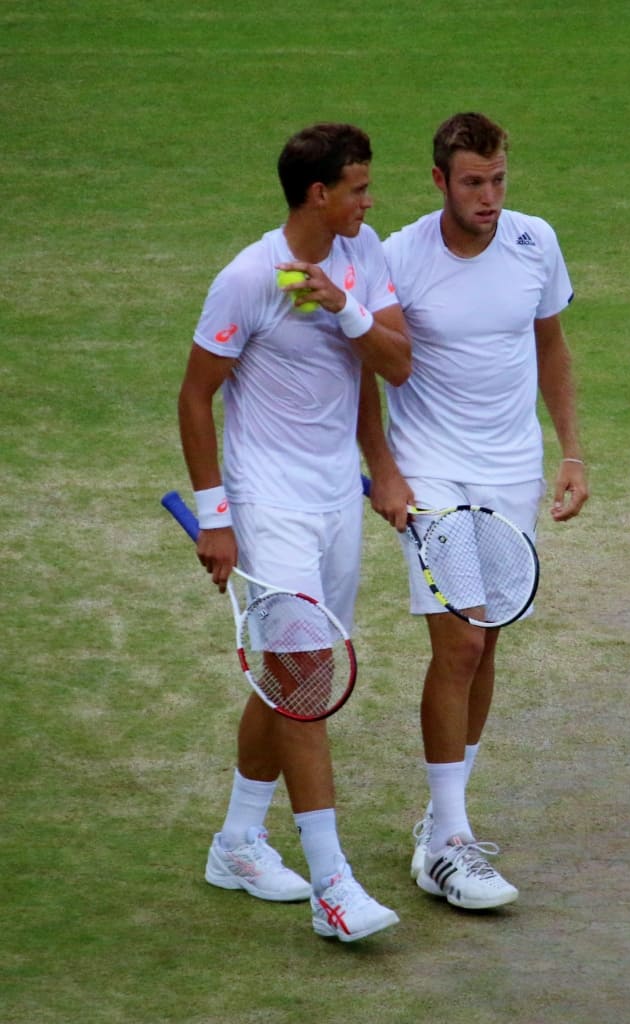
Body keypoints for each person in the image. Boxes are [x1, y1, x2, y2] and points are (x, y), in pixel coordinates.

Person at [176, 122, 411, 942]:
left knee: (288, 679)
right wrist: (218, 519)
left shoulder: (362, 251)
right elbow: (194, 395)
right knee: (307, 678)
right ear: (320, 194)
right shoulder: (245, 278)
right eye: (357, 188)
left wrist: (340, 305)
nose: (368, 201)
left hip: (332, 501)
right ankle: (333, 885)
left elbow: (391, 363)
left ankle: (238, 842)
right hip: (267, 502)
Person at [358, 111, 589, 912]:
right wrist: (383, 470)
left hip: (511, 467)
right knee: (457, 640)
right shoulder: (400, 256)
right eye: (471, 182)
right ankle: (450, 844)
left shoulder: (533, 241)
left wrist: (571, 451)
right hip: (430, 470)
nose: (488, 197)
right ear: (439, 182)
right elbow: (367, 364)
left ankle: (439, 822)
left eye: (497, 179)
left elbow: (549, 344)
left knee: (484, 640)